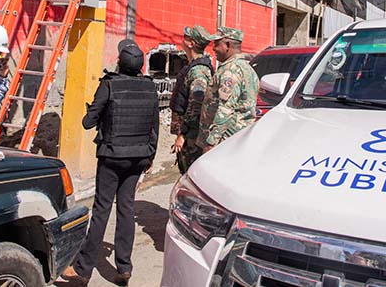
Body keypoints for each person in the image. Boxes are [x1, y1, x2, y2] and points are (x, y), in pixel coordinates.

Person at [62, 40, 159, 286]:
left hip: (112, 157)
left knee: (102, 210)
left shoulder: (109, 85)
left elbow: (88, 122)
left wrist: (95, 111)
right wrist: (150, 157)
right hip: (139, 157)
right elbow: (154, 127)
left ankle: (82, 270)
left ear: (119, 62)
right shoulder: (150, 88)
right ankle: (124, 267)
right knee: (126, 208)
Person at [197, 26, 259, 153]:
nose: (213, 48)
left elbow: (225, 109)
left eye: (216, 44)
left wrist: (211, 142)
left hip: (225, 141)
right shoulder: (247, 68)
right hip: (239, 137)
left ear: (227, 45)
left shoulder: (230, 71)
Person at [169, 25, 214, 173]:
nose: (182, 40)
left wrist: (184, 134)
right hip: (190, 135)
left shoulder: (198, 71)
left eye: (185, 37)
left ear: (191, 43)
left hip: (193, 137)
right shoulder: (194, 67)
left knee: (190, 175)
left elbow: (197, 105)